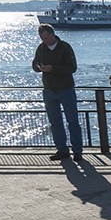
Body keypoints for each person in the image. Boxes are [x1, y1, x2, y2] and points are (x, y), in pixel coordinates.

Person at [33, 24, 83, 162]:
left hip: (66, 89)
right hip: (49, 90)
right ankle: (62, 150)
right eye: (42, 38)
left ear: (53, 34)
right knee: (55, 122)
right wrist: (39, 67)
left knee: (72, 121)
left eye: (47, 37)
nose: (45, 40)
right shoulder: (41, 48)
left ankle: (77, 151)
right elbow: (34, 64)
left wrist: (52, 68)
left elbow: (72, 68)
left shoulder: (65, 47)